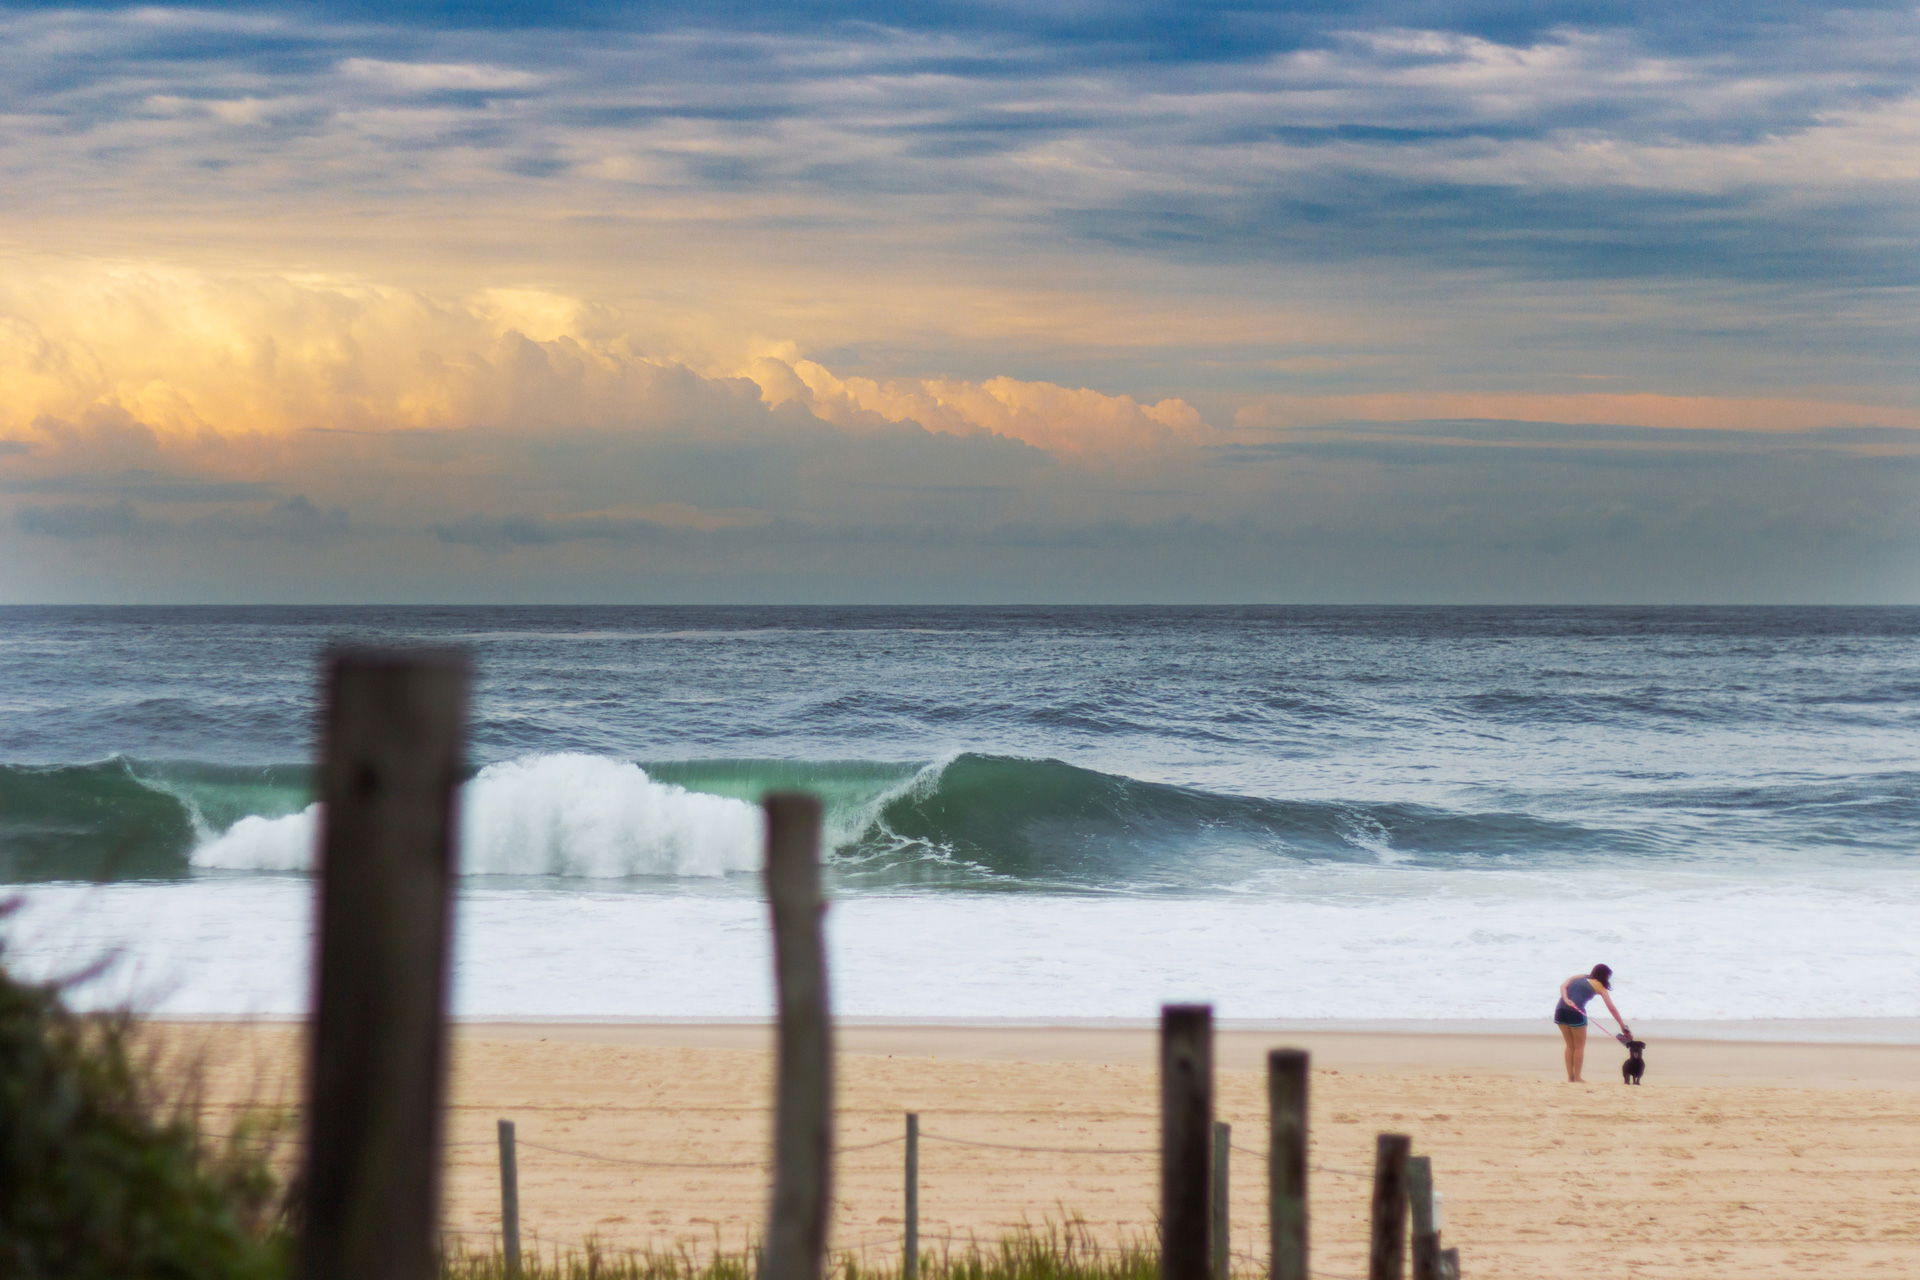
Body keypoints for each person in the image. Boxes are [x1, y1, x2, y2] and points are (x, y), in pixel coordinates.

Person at [1554, 963, 1629, 1083]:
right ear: (1605, 977)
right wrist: (1622, 1025)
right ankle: (1577, 1078)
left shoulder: (1580, 976)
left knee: (1569, 1046)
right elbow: (1611, 1008)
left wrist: (1566, 999)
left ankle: (1570, 1078)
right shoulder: (1600, 987)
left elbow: (1563, 985)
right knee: (1578, 1047)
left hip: (1560, 1010)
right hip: (1575, 1013)